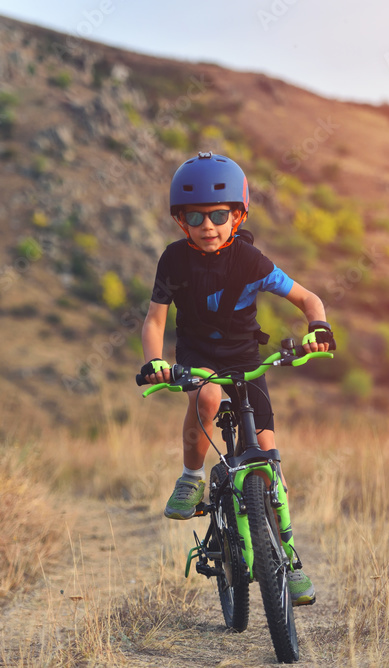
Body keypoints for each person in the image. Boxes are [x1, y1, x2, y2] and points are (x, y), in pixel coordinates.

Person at [139, 152, 335, 606]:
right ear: (180, 221)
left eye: (219, 214)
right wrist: (155, 362)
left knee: (268, 456)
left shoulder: (250, 260)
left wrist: (318, 327)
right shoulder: (173, 262)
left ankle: (287, 553)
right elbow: (153, 320)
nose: (207, 225)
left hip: (245, 358)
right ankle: (191, 477)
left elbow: (308, 298)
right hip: (197, 357)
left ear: (238, 215)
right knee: (205, 399)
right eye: (194, 216)